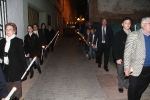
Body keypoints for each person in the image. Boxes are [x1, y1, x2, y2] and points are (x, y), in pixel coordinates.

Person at [124, 17, 150, 100]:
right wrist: (126, 67)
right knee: (133, 88)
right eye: (149, 23)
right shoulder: (134, 34)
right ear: (143, 25)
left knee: (143, 86)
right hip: (135, 67)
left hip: (148, 68)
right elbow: (127, 52)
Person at [0, 22, 27, 100]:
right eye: (6, 29)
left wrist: (24, 69)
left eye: (10, 29)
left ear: (14, 31)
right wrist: (3, 55)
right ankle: (10, 97)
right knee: (8, 84)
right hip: (6, 67)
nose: (8, 31)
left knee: (17, 84)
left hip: (16, 67)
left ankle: (17, 98)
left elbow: (22, 56)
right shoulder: (2, 41)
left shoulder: (18, 41)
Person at [112, 17, 132, 93]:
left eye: (129, 23)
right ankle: (121, 85)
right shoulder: (119, 34)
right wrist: (117, 58)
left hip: (131, 58)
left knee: (129, 72)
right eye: (126, 23)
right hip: (121, 58)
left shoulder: (133, 33)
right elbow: (115, 47)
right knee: (120, 72)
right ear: (122, 24)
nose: (128, 25)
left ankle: (127, 84)